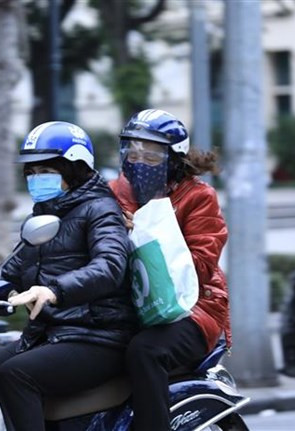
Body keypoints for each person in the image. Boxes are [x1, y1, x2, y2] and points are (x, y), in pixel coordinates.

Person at [0, 121, 137, 431]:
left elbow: (110, 266)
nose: (35, 179)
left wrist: (54, 291)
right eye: (30, 173)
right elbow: (10, 272)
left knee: (15, 374)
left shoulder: (100, 209)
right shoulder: (42, 216)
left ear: (74, 168)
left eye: (44, 171)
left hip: (98, 336)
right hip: (47, 334)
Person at [108, 109, 231, 431]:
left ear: (174, 159)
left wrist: (142, 234)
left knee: (144, 351)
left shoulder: (198, 197)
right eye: (132, 153)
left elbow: (200, 267)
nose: (138, 163)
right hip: (127, 306)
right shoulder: (112, 193)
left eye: (151, 157)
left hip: (193, 308)